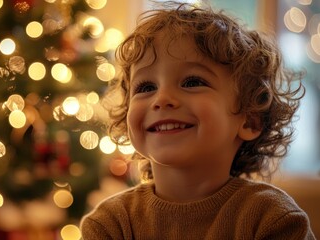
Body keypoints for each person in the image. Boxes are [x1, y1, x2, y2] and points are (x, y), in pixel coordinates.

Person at [80, 1, 316, 239]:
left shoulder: (272, 219)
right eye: (146, 86)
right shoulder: (109, 224)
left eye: (192, 82)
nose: (162, 99)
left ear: (250, 120)